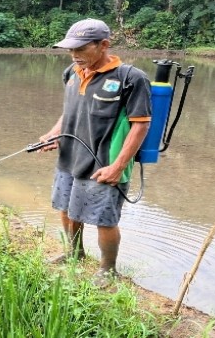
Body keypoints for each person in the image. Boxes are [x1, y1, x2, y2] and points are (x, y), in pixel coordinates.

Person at [37, 18, 152, 287]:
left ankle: (107, 270)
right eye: (71, 50)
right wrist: (54, 134)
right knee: (67, 209)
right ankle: (73, 253)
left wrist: (118, 166)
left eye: (81, 49)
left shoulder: (130, 78)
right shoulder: (71, 73)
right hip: (69, 157)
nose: (75, 55)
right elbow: (70, 113)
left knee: (104, 219)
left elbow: (141, 125)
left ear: (104, 45)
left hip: (105, 163)